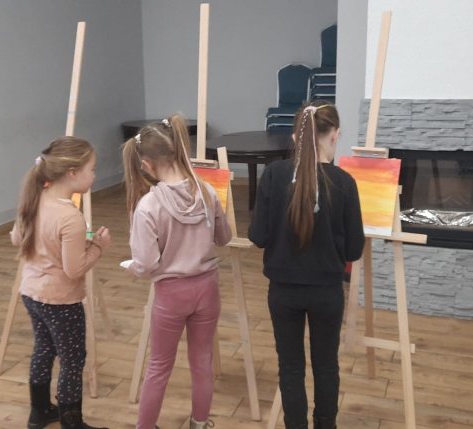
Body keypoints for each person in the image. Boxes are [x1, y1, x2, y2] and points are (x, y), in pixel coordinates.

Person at [248, 102, 364, 429]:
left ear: (295, 137)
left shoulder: (274, 175)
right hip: (327, 293)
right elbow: (354, 249)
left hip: (283, 292)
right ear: (335, 135)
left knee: (290, 368)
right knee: (326, 366)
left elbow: (258, 236)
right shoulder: (344, 182)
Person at [122, 114, 232, 429]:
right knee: (202, 362)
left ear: (146, 164)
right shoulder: (207, 191)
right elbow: (223, 238)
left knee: (159, 366)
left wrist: (131, 267)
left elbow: (145, 264)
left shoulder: (147, 207)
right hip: (207, 288)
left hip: (170, 294)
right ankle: (200, 422)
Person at [11, 136, 110, 429]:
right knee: (73, 359)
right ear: (72, 172)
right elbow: (74, 269)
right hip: (61, 301)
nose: (94, 175)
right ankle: (71, 421)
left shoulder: (34, 198)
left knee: (44, 348)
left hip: (31, 293)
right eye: (92, 169)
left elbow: (16, 238)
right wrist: (98, 247)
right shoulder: (70, 217)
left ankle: (40, 410)